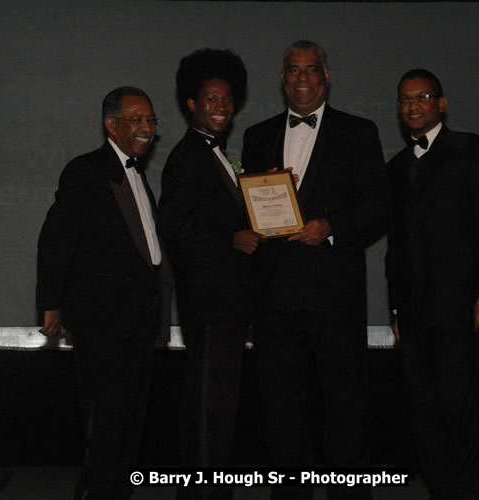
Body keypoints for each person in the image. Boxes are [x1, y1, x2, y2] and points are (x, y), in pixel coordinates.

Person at [241, 40, 389, 500]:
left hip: (335, 296)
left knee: (344, 405)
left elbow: (379, 207)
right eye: (293, 71)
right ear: (283, 79)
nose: (302, 79)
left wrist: (330, 227)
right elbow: (247, 206)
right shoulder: (256, 136)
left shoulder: (359, 132)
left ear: (326, 77)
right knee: (281, 409)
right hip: (274, 298)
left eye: (311, 70)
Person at [386, 68, 479, 499]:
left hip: (463, 307)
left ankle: (463, 493)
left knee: (461, 408)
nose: (413, 105)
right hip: (414, 314)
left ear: (442, 103)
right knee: (423, 410)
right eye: (405, 99)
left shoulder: (472, 150)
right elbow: (396, 246)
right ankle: (441, 489)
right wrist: (396, 308)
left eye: (422, 97)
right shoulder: (396, 167)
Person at [36, 86, 162, 500]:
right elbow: (57, 238)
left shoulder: (139, 173)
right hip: (102, 317)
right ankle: (97, 492)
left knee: (131, 415)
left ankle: (113, 490)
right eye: (137, 120)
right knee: (107, 413)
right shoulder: (87, 170)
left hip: (140, 319)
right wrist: (51, 301)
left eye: (150, 120)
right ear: (112, 124)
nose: (146, 128)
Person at [158, 48, 259, 500]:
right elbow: (174, 227)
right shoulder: (186, 157)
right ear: (191, 104)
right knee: (207, 406)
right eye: (211, 99)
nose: (221, 107)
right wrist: (230, 240)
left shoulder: (222, 156)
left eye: (227, 99)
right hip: (209, 302)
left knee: (220, 405)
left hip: (229, 302)